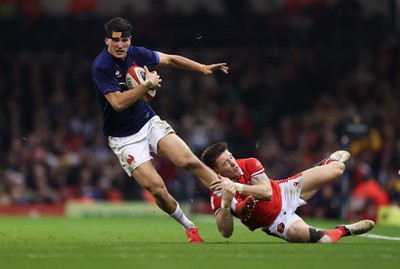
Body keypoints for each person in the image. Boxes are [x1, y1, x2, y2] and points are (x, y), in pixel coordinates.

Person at [92, 17, 229, 243]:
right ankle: (189, 226)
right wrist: (146, 85)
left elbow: (171, 59)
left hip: (147, 121)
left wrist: (202, 67)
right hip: (124, 139)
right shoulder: (102, 65)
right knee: (157, 190)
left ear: (129, 40)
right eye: (115, 40)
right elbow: (117, 103)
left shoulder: (136, 52)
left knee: (189, 161)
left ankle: (230, 197)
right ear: (107, 40)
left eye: (124, 40)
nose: (120, 45)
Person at [200, 142, 375, 243]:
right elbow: (225, 232)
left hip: (284, 190)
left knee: (338, 168)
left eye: (231, 156)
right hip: (276, 222)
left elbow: (266, 192)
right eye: (226, 163)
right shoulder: (217, 192)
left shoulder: (249, 163)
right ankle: (344, 230)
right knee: (324, 241)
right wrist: (226, 203)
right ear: (218, 171)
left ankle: (325, 163)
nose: (233, 163)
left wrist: (236, 187)